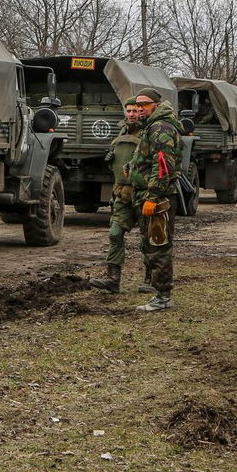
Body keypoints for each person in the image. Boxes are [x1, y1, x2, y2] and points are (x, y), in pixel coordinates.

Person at [88, 94, 152, 294]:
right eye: (129, 110)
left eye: (136, 110)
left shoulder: (150, 133)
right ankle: (113, 279)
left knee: (148, 238)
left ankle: (150, 278)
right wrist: (111, 161)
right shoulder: (121, 133)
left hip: (143, 194)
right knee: (115, 234)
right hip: (121, 193)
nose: (133, 114)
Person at [132, 88, 184, 311]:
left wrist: (153, 196)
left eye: (144, 105)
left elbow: (163, 167)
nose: (139, 109)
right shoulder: (151, 127)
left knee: (158, 244)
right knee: (151, 243)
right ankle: (159, 292)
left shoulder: (160, 128)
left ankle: (163, 297)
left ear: (155, 105)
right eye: (137, 105)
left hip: (158, 197)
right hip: (148, 194)